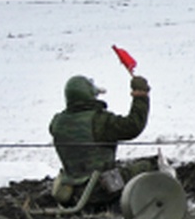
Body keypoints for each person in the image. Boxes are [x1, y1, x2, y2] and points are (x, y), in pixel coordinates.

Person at [49, 73, 151, 206]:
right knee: (147, 167)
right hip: (103, 188)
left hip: (71, 192)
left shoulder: (57, 123)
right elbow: (133, 126)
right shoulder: (100, 121)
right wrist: (140, 96)